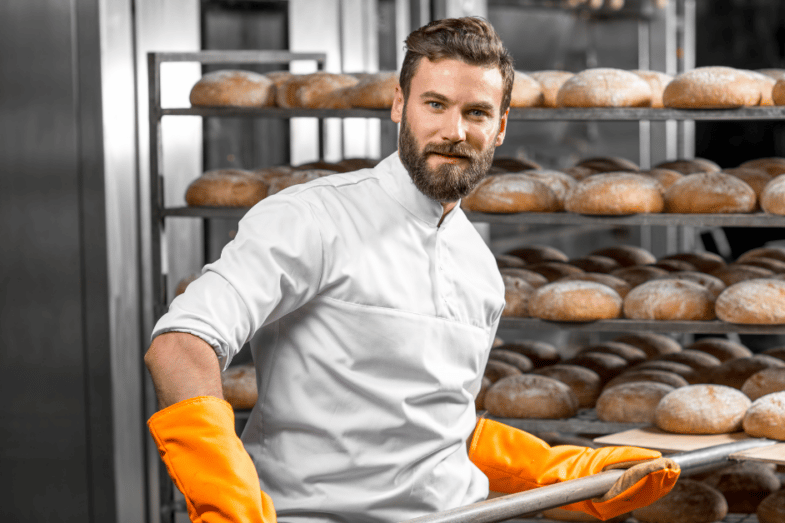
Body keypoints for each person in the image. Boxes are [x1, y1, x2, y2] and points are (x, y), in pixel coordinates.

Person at [144, 17, 678, 523]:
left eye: (476, 113)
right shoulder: (312, 217)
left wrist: (557, 471)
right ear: (400, 105)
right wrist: (228, 505)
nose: (454, 130)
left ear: (500, 128)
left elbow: (439, 426)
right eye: (436, 104)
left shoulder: (480, 268)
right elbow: (180, 345)